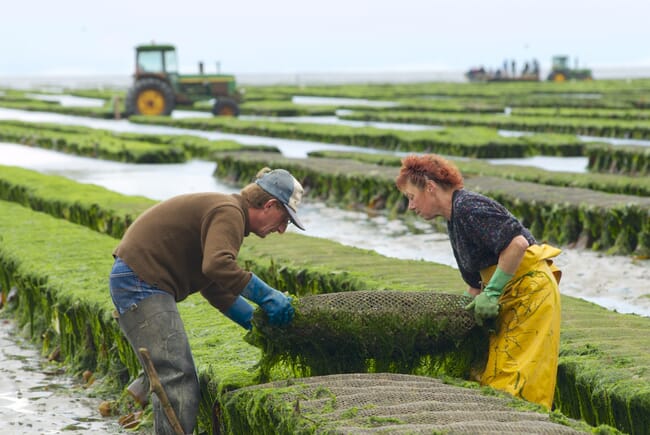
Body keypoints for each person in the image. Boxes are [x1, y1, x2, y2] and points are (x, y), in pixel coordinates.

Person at [109, 167, 304, 434]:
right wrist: (268, 295)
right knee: (178, 376)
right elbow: (217, 266)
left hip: (138, 279)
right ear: (270, 204)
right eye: (285, 219)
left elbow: (215, 286)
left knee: (169, 367)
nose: (282, 229)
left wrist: (255, 324)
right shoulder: (229, 212)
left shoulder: (228, 211)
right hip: (140, 282)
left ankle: (143, 387)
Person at [395, 154, 562, 409]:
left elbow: (517, 244)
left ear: (429, 187)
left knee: (518, 379)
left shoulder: (468, 207)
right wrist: (462, 318)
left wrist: (493, 291)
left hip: (530, 293)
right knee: (491, 375)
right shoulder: (454, 220)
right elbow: (475, 285)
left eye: (411, 197)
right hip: (510, 294)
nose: (411, 206)